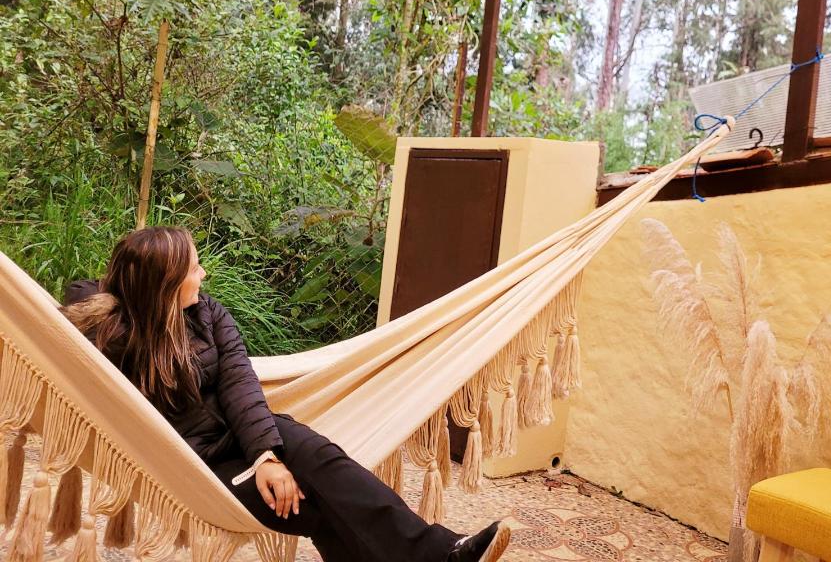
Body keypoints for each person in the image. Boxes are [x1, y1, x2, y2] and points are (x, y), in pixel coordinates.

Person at [62, 226, 511, 562]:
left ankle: (444, 552)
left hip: (253, 435)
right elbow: (76, 303)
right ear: (165, 281)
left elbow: (240, 384)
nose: (203, 273)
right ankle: (440, 556)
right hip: (195, 464)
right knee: (315, 505)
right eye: (193, 267)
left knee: (326, 464)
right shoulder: (108, 332)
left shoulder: (210, 314)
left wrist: (266, 458)